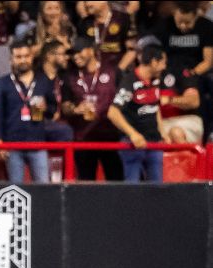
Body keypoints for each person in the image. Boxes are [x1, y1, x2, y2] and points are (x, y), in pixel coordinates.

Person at [0, 40, 57, 183]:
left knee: (44, 187)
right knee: (16, 190)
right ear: (11, 59)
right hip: (12, 144)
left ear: (32, 57)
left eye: (26, 56)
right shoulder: (2, 83)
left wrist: (46, 108)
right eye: (18, 57)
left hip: (38, 142)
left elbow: (53, 109)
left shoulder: (43, 80)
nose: (23, 60)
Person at [61, 37, 123, 181]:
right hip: (83, 138)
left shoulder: (113, 71)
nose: (75, 56)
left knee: (116, 183)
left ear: (91, 50)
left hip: (111, 137)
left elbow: (124, 100)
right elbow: (65, 105)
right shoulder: (70, 76)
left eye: (79, 51)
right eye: (73, 53)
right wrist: (75, 109)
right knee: (86, 184)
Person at [108, 44, 169, 183]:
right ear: (154, 62)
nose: (165, 67)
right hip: (133, 144)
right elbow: (113, 112)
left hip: (154, 143)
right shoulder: (130, 82)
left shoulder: (156, 80)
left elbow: (154, 106)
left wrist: (162, 131)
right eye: (163, 63)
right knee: (133, 189)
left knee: (157, 189)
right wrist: (133, 134)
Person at [153, 1, 213, 76]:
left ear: (195, 17)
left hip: (196, 73)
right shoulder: (165, 25)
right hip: (168, 72)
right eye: (179, 22)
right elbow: (158, 54)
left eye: (188, 22)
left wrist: (191, 73)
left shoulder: (207, 27)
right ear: (174, 15)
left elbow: (208, 62)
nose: (183, 26)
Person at [77, 1, 136, 72]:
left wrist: (118, 72)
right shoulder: (84, 23)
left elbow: (132, 50)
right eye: (85, 1)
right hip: (94, 73)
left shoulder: (122, 18)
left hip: (118, 71)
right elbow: (82, 52)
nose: (87, 4)